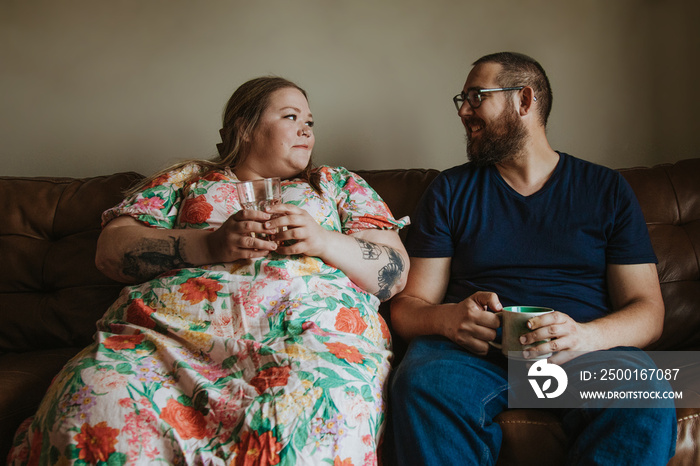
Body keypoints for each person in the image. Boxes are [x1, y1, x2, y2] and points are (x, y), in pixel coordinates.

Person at [8, 77, 409, 465]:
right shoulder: (186, 182)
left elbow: (393, 273)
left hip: (308, 343)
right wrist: (210, 244)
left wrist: (323, 241)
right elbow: (111, 252)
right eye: (290, 117)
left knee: (308, 425)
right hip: (167, 341)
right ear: (245, 128)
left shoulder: (335, 184)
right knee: (95, 401)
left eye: (310, 122)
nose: (306, 128)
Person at [389, 52, 677, 465]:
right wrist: (448, 319)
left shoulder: (605, 189)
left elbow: (649, 311)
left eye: (475, 96)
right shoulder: (450, 190)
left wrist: (585, 337)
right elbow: (407, 308)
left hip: (584, 355)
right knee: (420, 382)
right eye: (461, 99)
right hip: (474, 358)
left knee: (643, 392)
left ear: (524, 100)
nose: (463, 111)